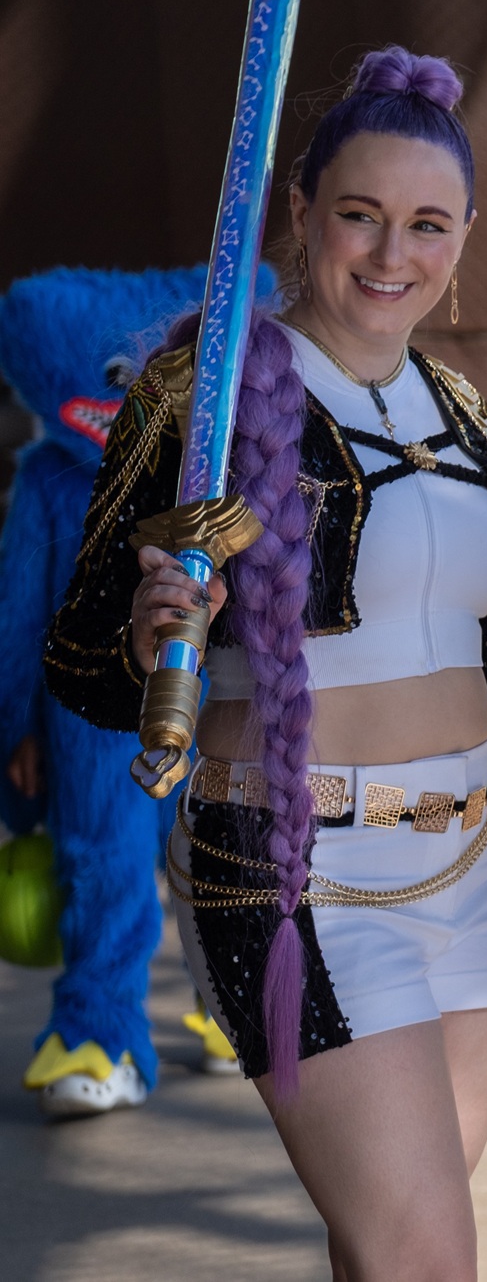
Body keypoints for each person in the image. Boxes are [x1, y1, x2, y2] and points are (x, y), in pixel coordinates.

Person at [44, 47, 487, 1279]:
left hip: (475, 871)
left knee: (385, 1251)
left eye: (426, 224)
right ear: (299, 212)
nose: (393, 253)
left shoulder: (462, 407)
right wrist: (149, 635)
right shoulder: (204, 399)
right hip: (302, 878)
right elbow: (84, 662)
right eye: (361, 215)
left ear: (461, 237)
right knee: (423, 1257)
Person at [1, 265, 239, 1116]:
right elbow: (21, 617)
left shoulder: (220, 472)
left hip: (218, 707)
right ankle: (100, 1030)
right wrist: (20, 728)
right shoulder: (51, 484)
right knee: (102, 863)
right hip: (86, 715)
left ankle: (235, 1009)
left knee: (224, 856)